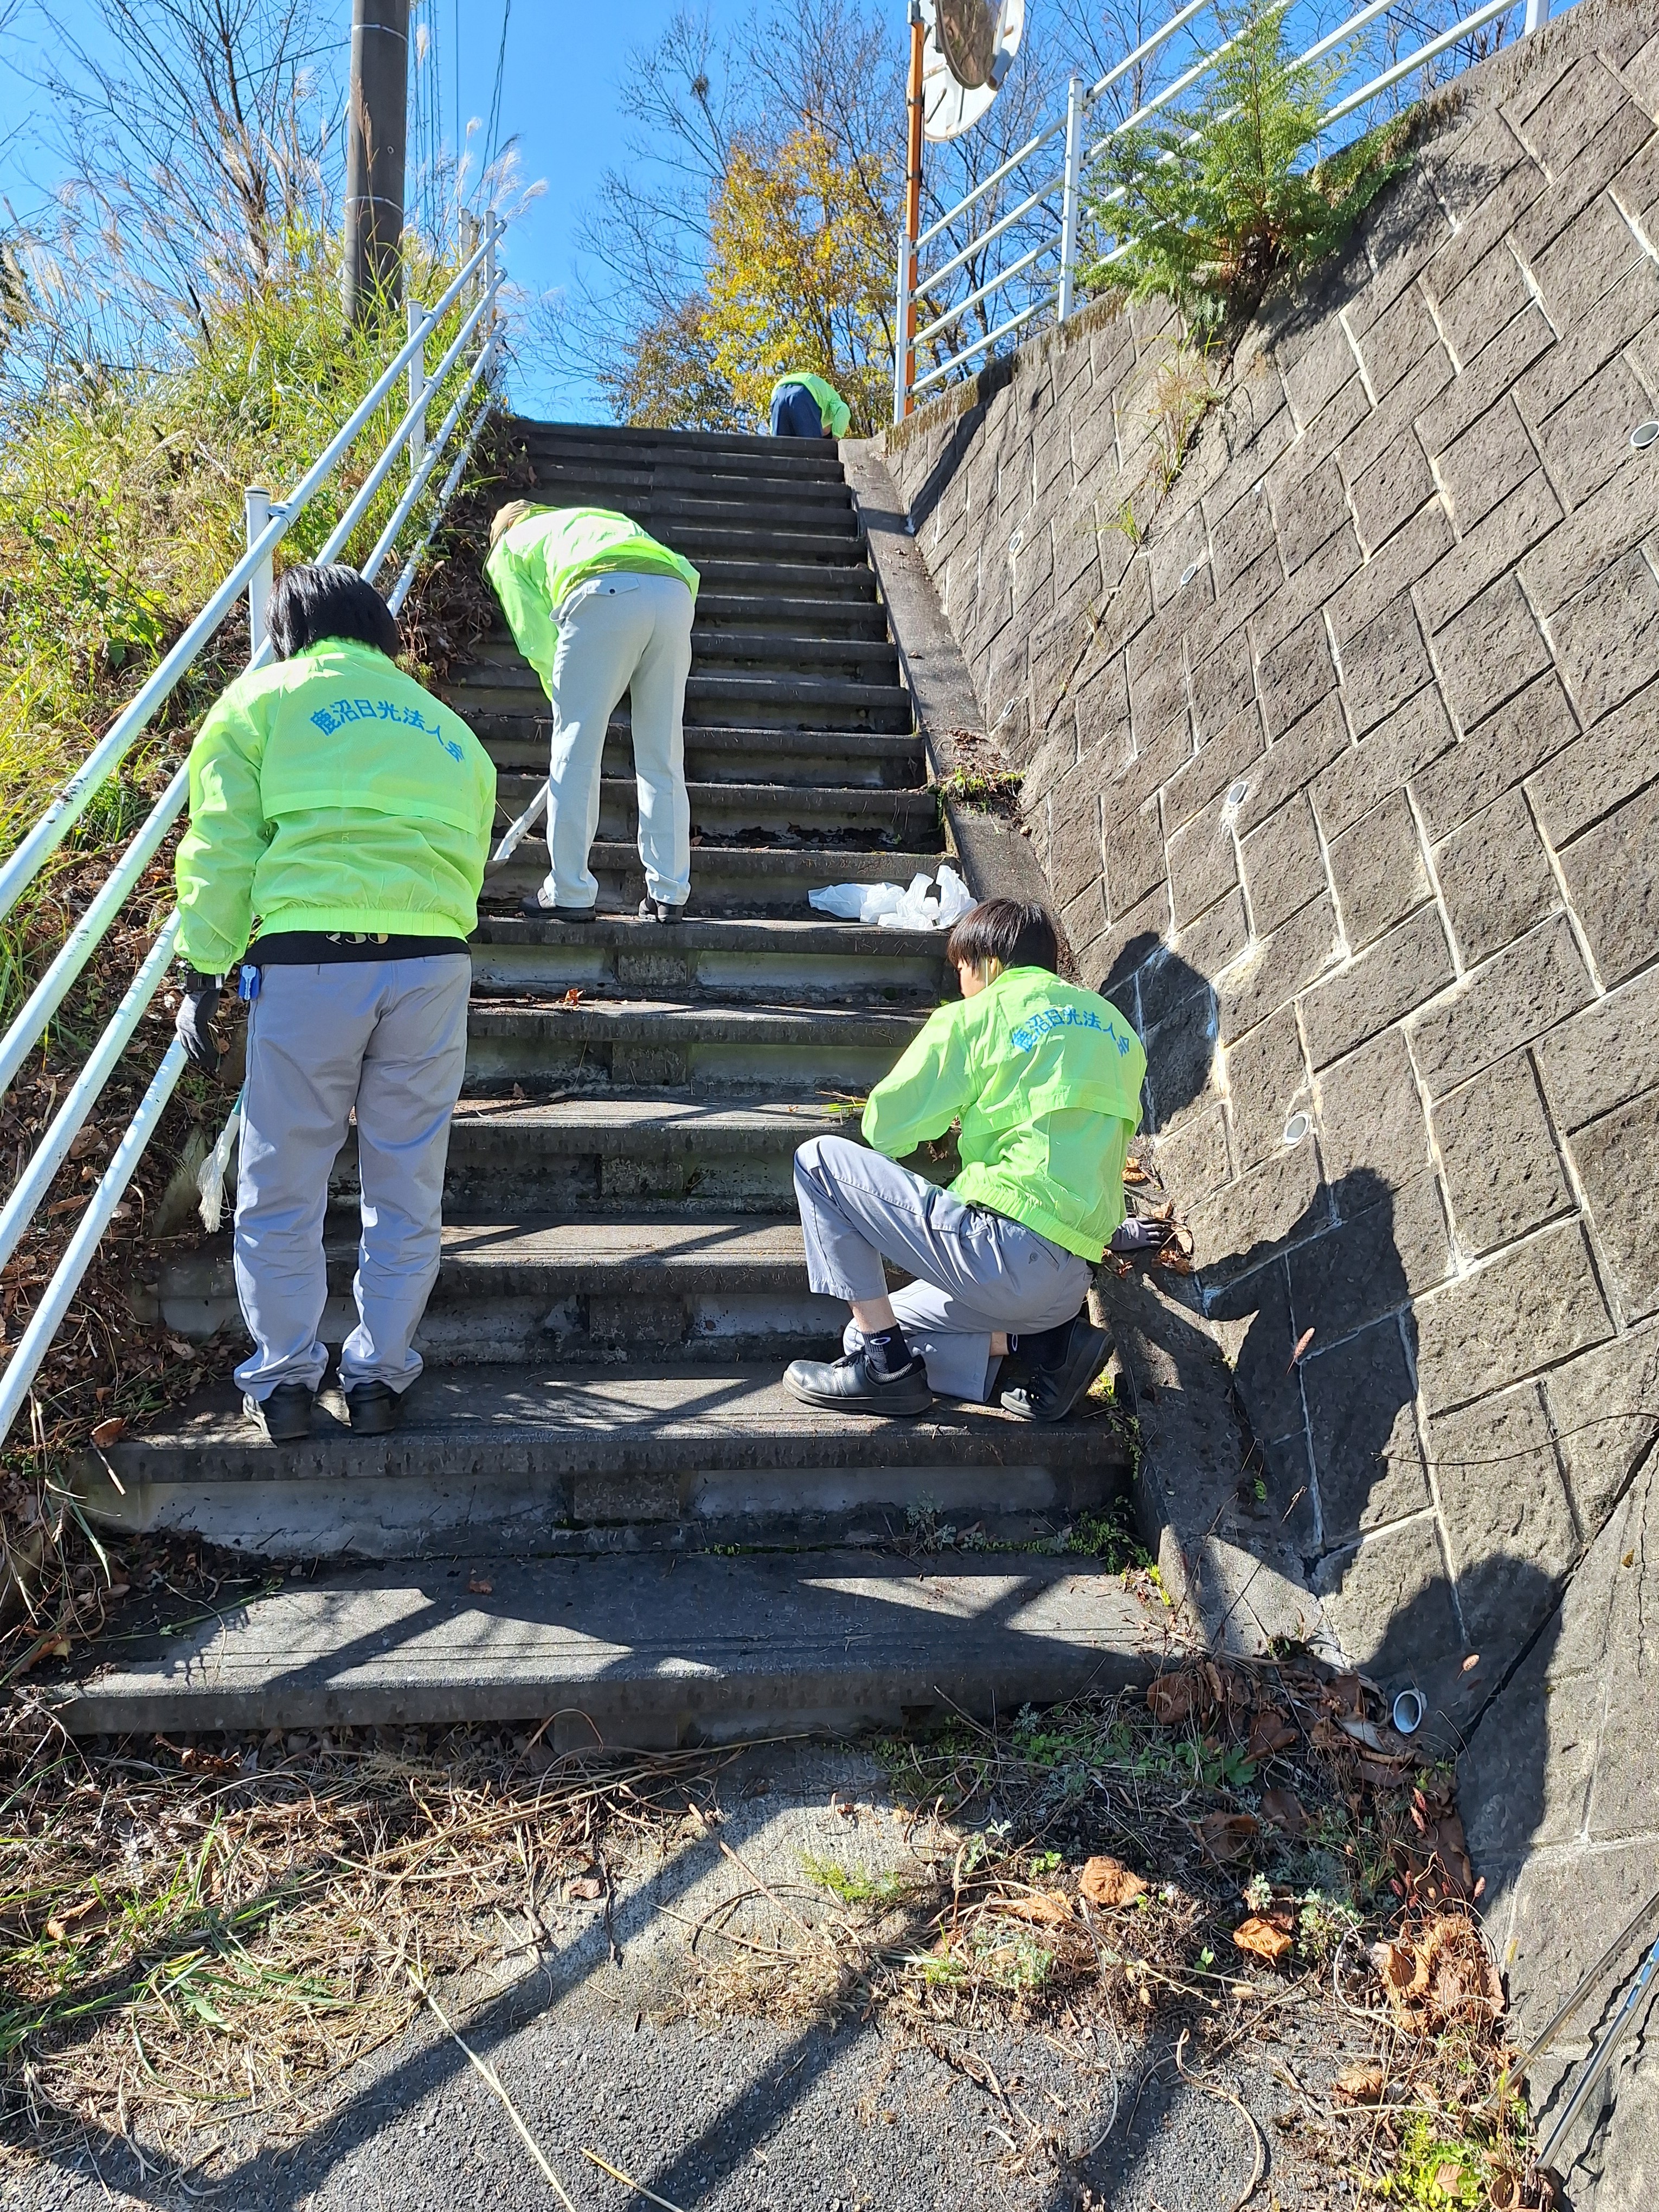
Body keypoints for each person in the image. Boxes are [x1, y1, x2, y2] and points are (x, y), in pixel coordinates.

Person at [172, 563, 496, 1444]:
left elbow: (222, 844)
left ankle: (283, 1383)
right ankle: (380, 1378)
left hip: (311, 960)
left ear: (289, 629)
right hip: (431, 962)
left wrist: (203, 973)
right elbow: (470, 853)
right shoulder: (450, 731)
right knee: (406, 1185)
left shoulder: (262, 703)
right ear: (381, 632)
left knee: (282, 1185)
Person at [783, 898, 1148, 1422]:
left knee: (817, 1161)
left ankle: (886, 1371)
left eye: (960, 968)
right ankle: (1044, 1350)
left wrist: (955, 1107)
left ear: (987, 961)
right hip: (1068, 1285)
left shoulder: (979, 1016)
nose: (961, 984)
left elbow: (885, 1129)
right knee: (863, 1327)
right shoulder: (1119, 1033)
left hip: (1003, 1255)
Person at [485, 503, 699, 923]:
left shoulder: (508, 547)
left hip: (602, 593)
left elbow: (535, 637)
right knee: (663, 753)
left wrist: (569, 701)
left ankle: (570, 891)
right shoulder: (591, 521)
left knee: (576, 751)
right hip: (675, 595)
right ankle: (669, 891)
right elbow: (680, 570)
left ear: (503, 528)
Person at [769, 372, 851, 439]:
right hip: (803, 393)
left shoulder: (825, 402)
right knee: (812, 448)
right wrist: (836, 437)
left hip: (778, 394)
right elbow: (843, 410)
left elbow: (774, 427)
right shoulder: (834, 402)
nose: (822, 433)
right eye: (825, 433)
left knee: (781, 446)